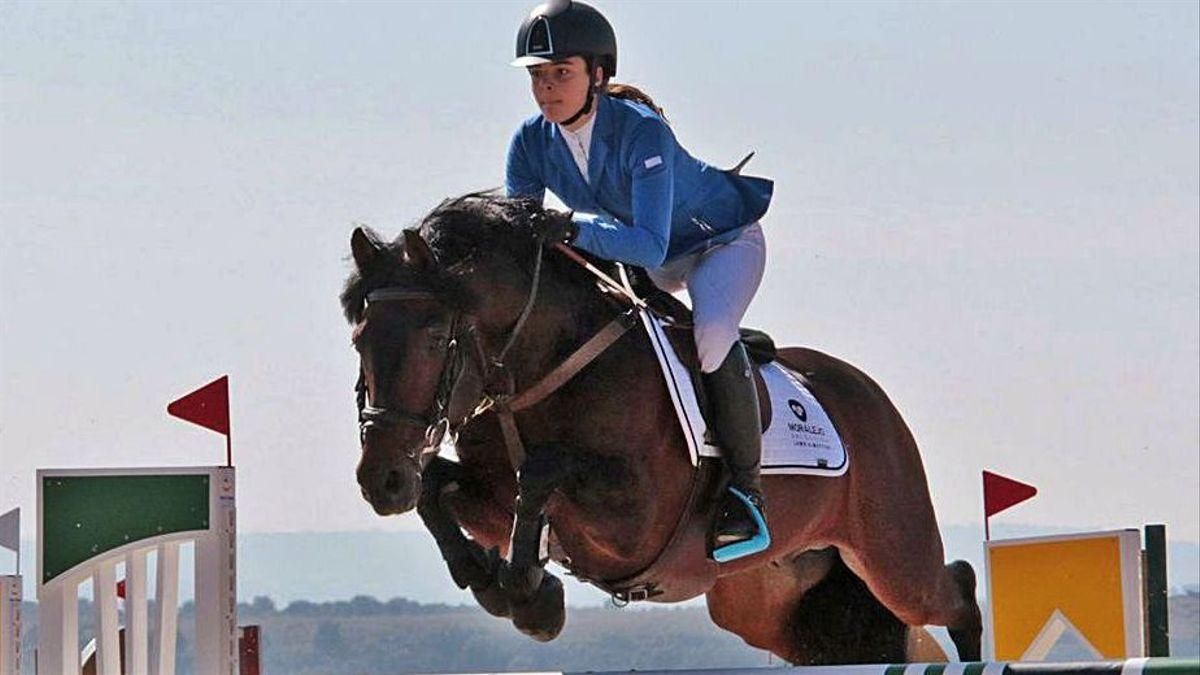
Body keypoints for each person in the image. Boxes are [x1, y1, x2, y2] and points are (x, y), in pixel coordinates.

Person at [505, 0, 774, 560]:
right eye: (538, 76)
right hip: (649, 258)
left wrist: (568, 226)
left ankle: (745, 495)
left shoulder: (641, 132)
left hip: (719, 244)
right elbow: (523, 246)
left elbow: (648, 244)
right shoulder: (530, 142)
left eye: (562, 74)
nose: (548, 89)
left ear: (597, 75)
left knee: (712, 333)